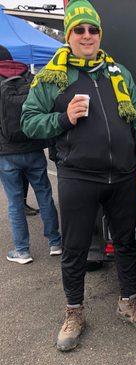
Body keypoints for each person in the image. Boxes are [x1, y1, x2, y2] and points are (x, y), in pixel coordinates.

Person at [21, 0, 136, 352]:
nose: (86, 35)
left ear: (99, 34)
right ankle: (74, 312)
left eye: (92, 29)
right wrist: (64, 117)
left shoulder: (118, 73)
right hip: (78, 176)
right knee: (75, 247)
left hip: (123, 175)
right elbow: (28, 122)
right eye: (79, 29)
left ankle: (128, 301)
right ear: (68, 35)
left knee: (126, 242)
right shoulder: (53, 75)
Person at [0, 45, 62, 265]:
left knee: (15, 202)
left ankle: (22, 250)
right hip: (34, 147)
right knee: (44, 193)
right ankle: (55, 242)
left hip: (6, 153)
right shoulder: (30, 76)